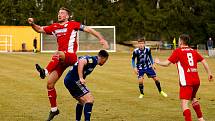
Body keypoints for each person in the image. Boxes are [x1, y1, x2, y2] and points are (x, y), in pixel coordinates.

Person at [28, 7, 109, 121]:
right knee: (50, 84)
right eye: (59, 13)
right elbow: (40, 29)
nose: (59, 15)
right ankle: (54, 110)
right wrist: (32, 24)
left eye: (62, 13)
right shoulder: (55, 27)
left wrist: (101, 39)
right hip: (61, 59)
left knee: (59, 53)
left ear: (67, 16)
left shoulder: (73, 24)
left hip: (70, 56)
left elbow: (89, 30)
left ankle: (45, 71)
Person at [155, 34, 213, 121]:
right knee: (193, 98)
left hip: (186, 82)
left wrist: (158, 62)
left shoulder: (178, 51)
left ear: (181, 41)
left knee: (184, 103)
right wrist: (209, 73)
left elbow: (167, 64)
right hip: (196, 81)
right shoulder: (193, 51)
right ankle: (200, 118)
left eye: (179, 40)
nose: (178, 42)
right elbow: (204, 61)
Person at [64, 50, 109, 121]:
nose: (104, 62)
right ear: (103, 58)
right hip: (73, 80)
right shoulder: (93, 60)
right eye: (105, 60)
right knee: (90, 99)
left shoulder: (92, 60)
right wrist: (81, 78)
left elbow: (80, 59)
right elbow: (81, 61)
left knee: (82, 101)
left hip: (69, 80)